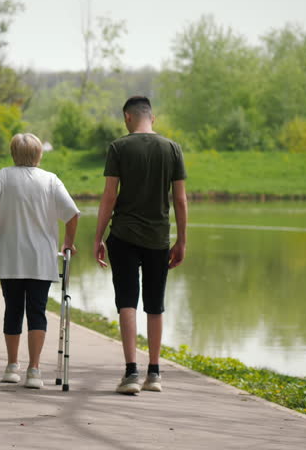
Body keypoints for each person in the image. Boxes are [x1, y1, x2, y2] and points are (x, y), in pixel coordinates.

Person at [93, 96, 188, 395]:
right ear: (152, 118)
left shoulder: (118, 147)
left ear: (127, 117)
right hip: (159, 239)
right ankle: (155, 373)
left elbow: (109, 196)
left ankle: (131, 373)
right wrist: (182, 240)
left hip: (122, 236)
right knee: (155, 305)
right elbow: (181, 200)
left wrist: (97, 237)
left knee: (127, 302)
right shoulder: (172, 149)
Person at [0, 133, 80, 389]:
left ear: (14, 154)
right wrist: (68, 241)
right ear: (38, 154)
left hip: (10, 257)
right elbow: (72, 214)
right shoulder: (50, 180)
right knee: (37, 311)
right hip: (41, 259)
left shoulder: (4, 175)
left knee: (13, 310)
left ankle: (12, 366)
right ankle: (34, 370)